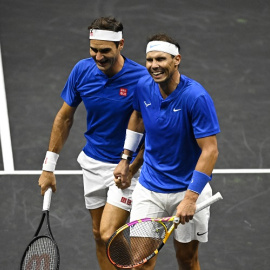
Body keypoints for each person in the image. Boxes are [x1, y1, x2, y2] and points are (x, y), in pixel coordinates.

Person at [38, 16, 148, 270]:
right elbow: (64, 118)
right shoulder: (82, 70)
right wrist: (48, 167)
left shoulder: (141, 79)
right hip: (93, 164)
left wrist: (132, 167)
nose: (98, 57)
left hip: (128, 168)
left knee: (110, 234)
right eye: (94, 50)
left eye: (105, 51)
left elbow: (151, 129)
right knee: (99, 235)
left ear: (121, 45)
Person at [113, 33, 220, 270]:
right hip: (149, 189)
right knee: (139, 263)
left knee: (187, 260)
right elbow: (139, 117)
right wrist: (126, 160)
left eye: (160, 59)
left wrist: (191, 198)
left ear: (176, 60)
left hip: (187, 189)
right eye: (149, 60)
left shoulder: (196, 97)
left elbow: (210, 151)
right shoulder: (143, 87)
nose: (154, 65)